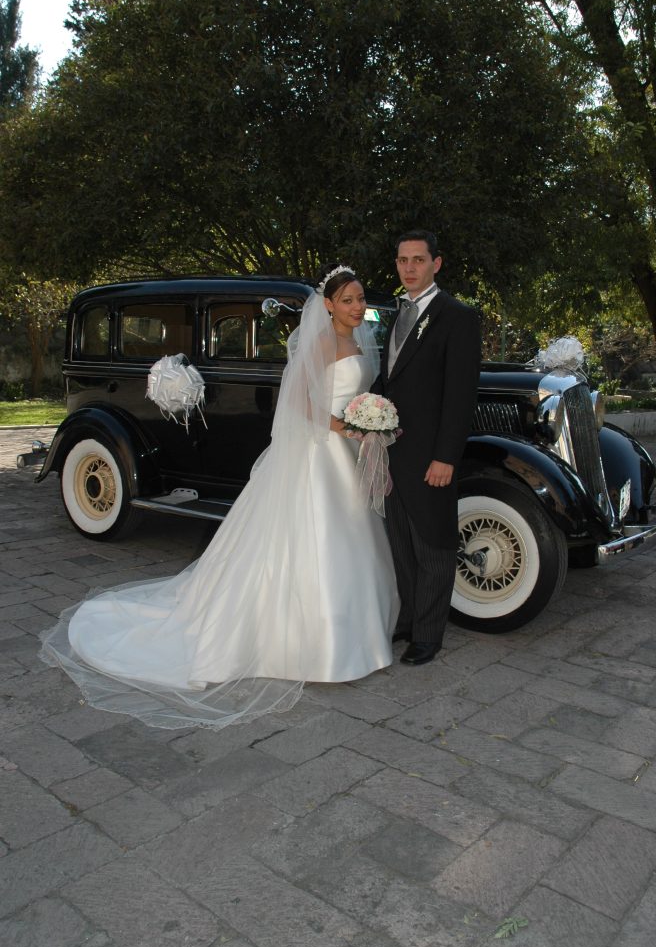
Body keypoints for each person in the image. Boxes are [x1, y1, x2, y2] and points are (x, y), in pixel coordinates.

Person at [40, 265, 399, 729]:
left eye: (359, 299)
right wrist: (345, 426)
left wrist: (368, 423)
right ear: (328, 304)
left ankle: (357, 636)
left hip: (348, 451)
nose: (355, 307)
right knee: (321, 535)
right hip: (323, 450)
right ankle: (312, 644)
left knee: (353, 533)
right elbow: (299, 404)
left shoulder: (359, 341)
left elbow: (356, 392)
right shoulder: (322, 342)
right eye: (347, 299)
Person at [372, 230, 481, 666]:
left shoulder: (458, 316)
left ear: (437, 263)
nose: (410, 267)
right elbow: (392, 378)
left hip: (430, 457)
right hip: (392, 453)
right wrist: (366, 412)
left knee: (434, 546)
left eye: (419, 260)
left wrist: (445, 457)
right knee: (400, 543)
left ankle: (429, 636)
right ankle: (410, 620)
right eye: (403, 260)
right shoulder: (398, 314)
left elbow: (460, 396)